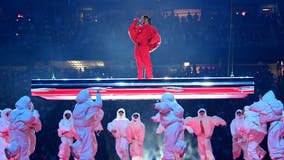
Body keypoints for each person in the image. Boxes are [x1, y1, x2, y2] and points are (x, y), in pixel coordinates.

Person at [70, 89, 102, 160]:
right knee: (87, 145)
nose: (91, 95)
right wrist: (98, 94)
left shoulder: (77, 105)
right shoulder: (88, 103)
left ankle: (75, 147)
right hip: (86, 127)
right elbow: (98, 105)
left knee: (83, 141)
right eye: (90, 94)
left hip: (78, 127)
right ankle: (85, 157)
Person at [5, 96, 36, 160]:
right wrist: (32, 110)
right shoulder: (26, 112)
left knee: (16, 144)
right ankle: (13, 152)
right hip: (21, 132)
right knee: (24, 147)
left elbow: (10, 119)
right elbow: (29, 119)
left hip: (13, 132)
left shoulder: (14, 112)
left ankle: (11, 151)